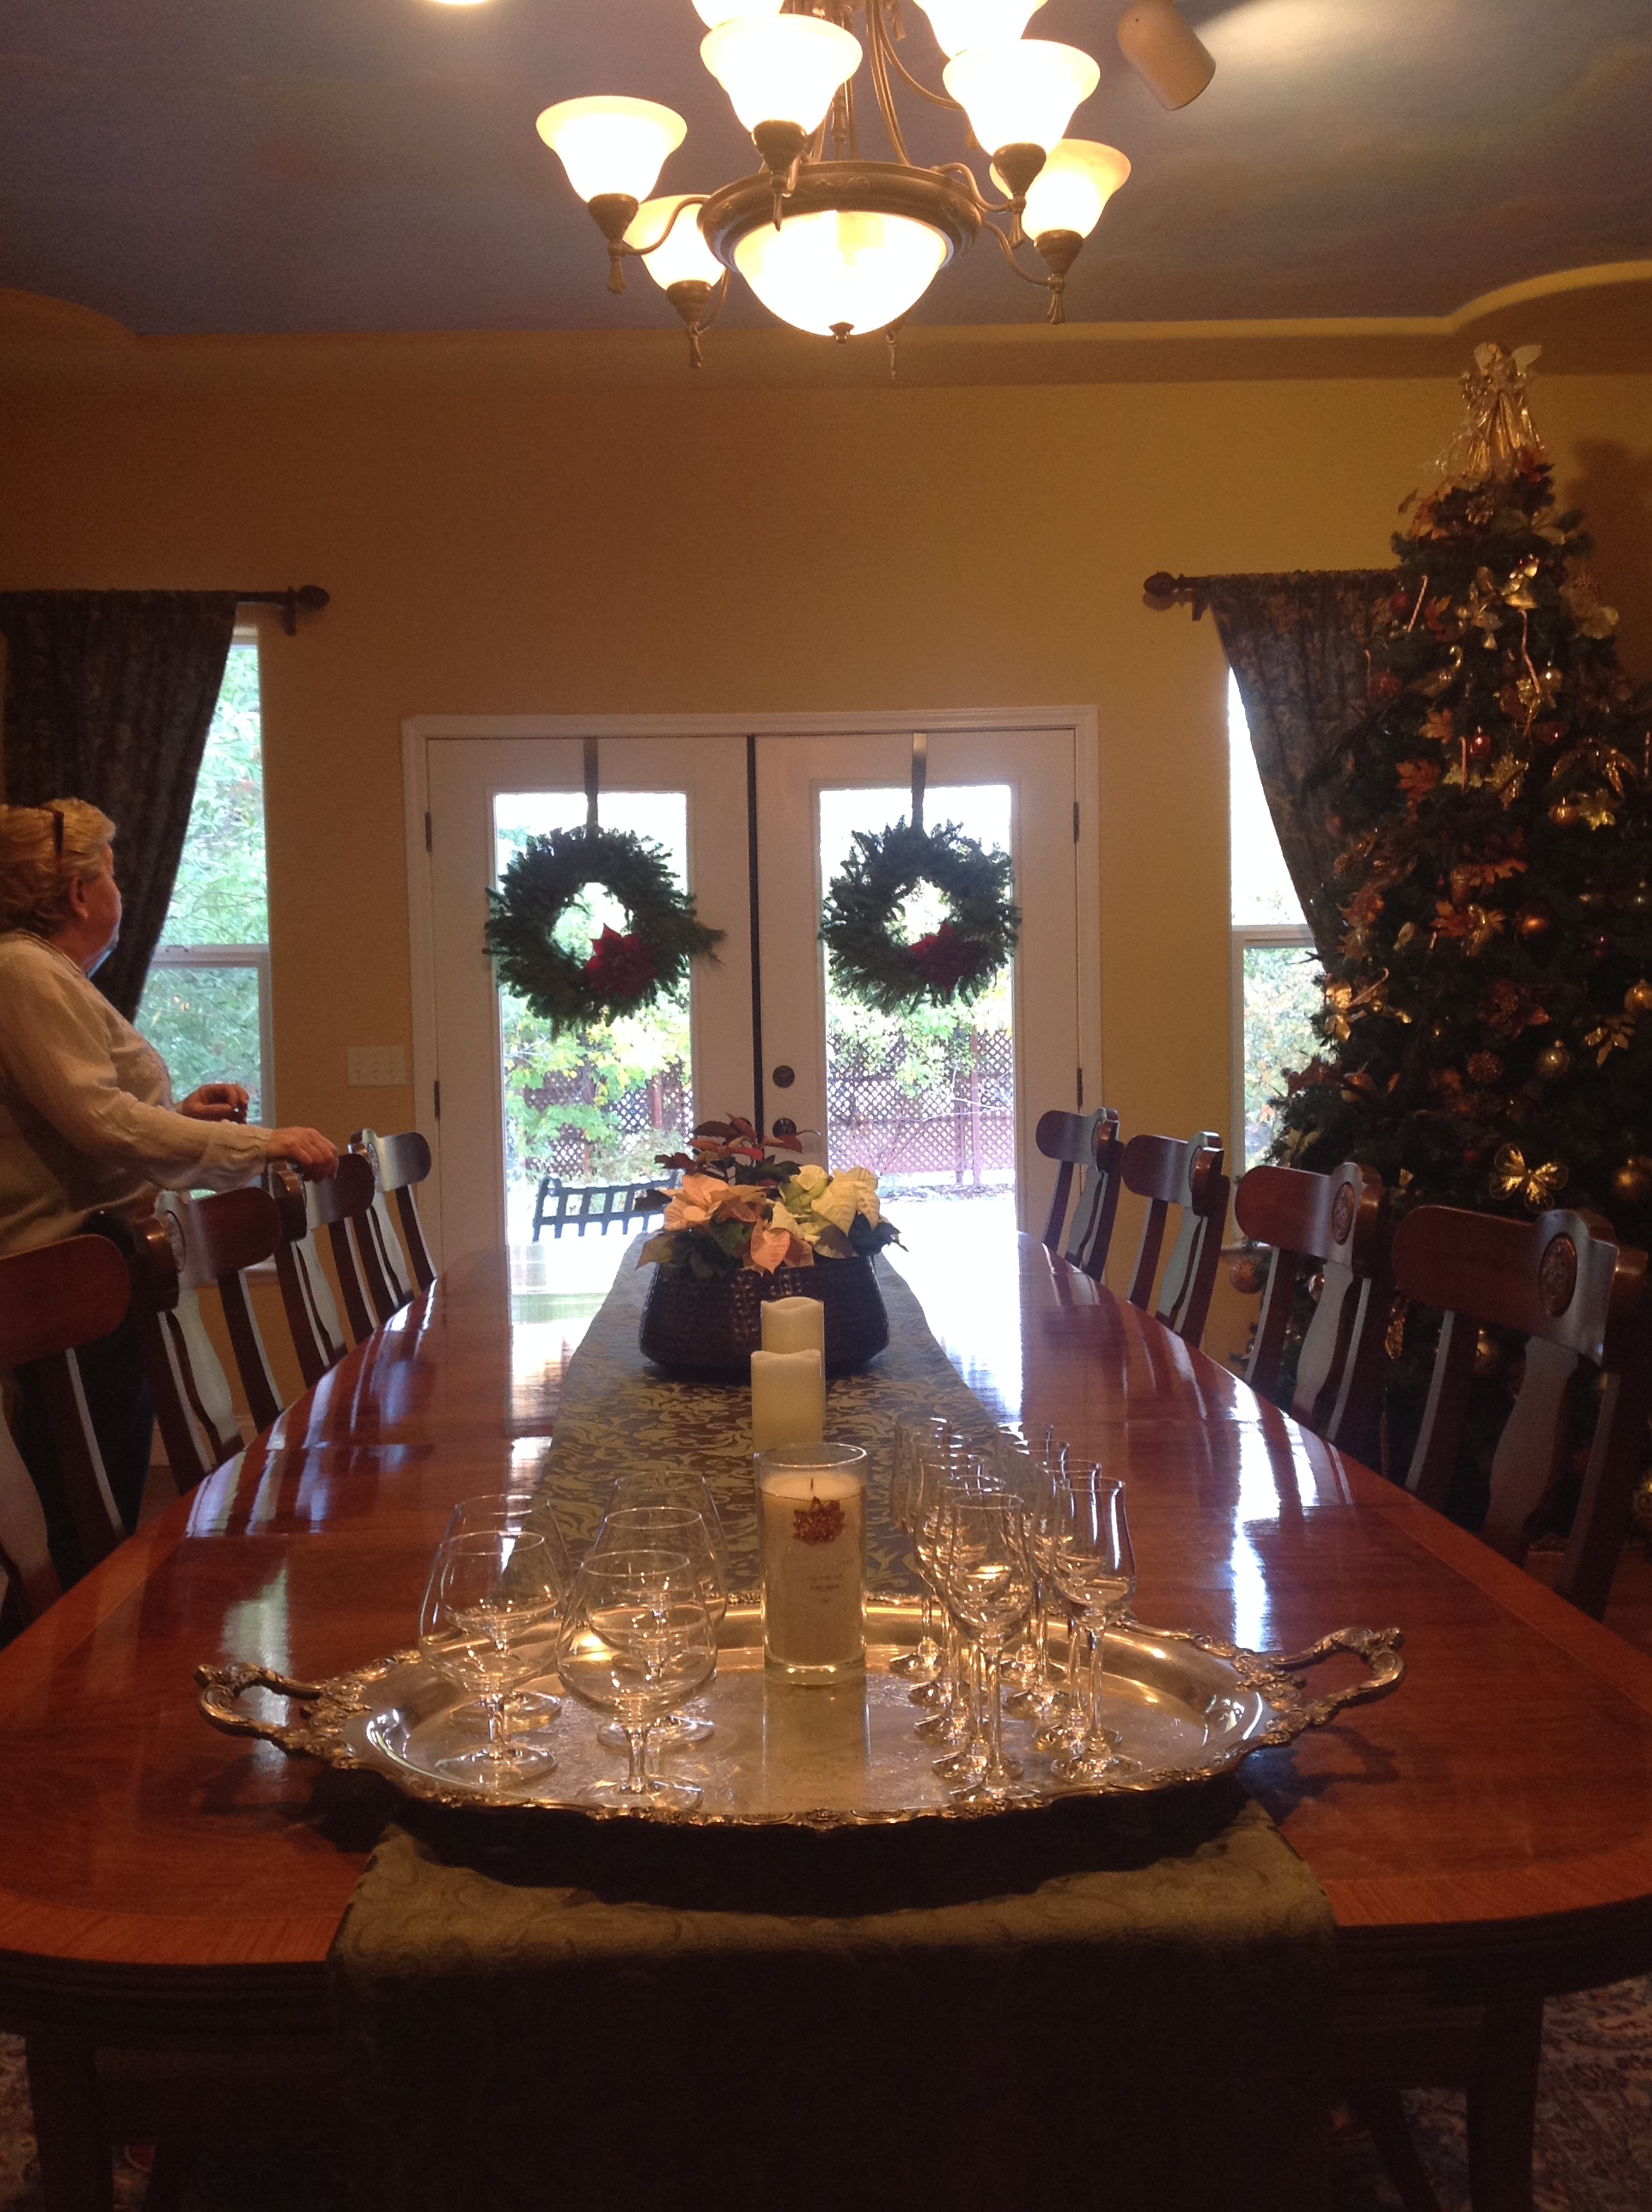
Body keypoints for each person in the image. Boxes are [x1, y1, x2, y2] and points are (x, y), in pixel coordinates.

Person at [0, 798, 338, 1574]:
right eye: (112, 877)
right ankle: (54, 1685)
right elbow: (100, 1122)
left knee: (96, 1506)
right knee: (73, 1524)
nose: (122, 895)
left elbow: (86, 1126)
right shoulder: (25, 970)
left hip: (91, 1278)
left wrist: (177, 1117)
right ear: (82, 893)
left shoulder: (47, 977)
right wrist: (259, 1144)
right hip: (60, 1285)